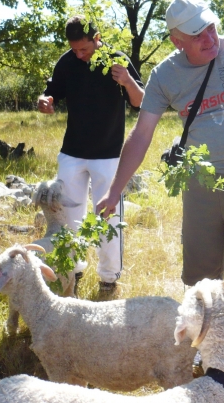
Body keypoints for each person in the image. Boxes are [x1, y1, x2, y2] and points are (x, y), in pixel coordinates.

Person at [95, 0, 224, 339]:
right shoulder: (165, 74)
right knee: (201, 276)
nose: (209, 38)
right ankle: (207, 344)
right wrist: (114, 190)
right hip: (200, 183)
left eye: (211, 27)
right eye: (197, 35)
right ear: (176, 40)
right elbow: (141, 135)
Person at [38, 16, 144, 294]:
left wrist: (127, 81)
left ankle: (109, 277)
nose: (79, 54)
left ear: (97, 38)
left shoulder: (116, 59)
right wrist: (45, 101)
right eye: (74, 49)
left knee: (108, 217)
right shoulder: (67, 61)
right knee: (68, 216)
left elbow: (140, 101)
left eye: (84, 49)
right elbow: (52, 92)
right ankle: (72, 272)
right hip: (72, 153)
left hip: (108, 155)